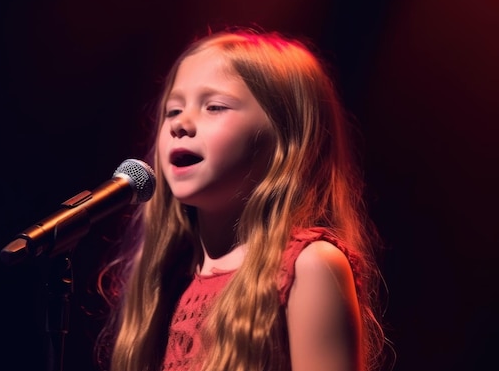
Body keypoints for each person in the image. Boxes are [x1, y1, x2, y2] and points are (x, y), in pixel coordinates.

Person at [94, 27, 389, 371]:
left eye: (214, 107)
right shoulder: (167, 279)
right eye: (173, 111)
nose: (180, 125)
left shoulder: (309, 266)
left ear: (285, 138)